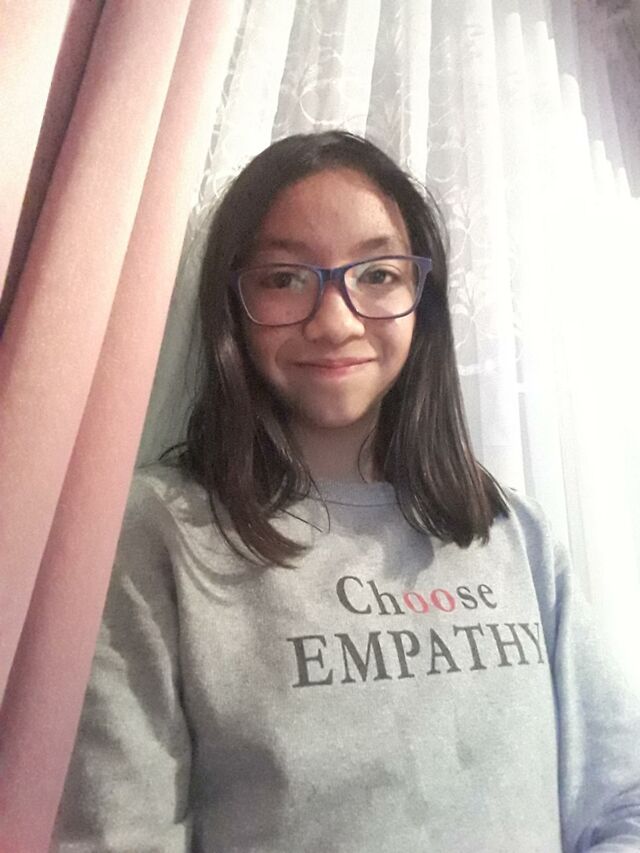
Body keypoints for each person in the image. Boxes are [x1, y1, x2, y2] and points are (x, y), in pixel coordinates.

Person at [54, 131, 640, 852]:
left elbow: (623, 798)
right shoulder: (157, 530)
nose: (334, 322)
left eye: (378, 275)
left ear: (421, 299)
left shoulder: (511, 529)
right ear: (232, 303)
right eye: (283, 279)